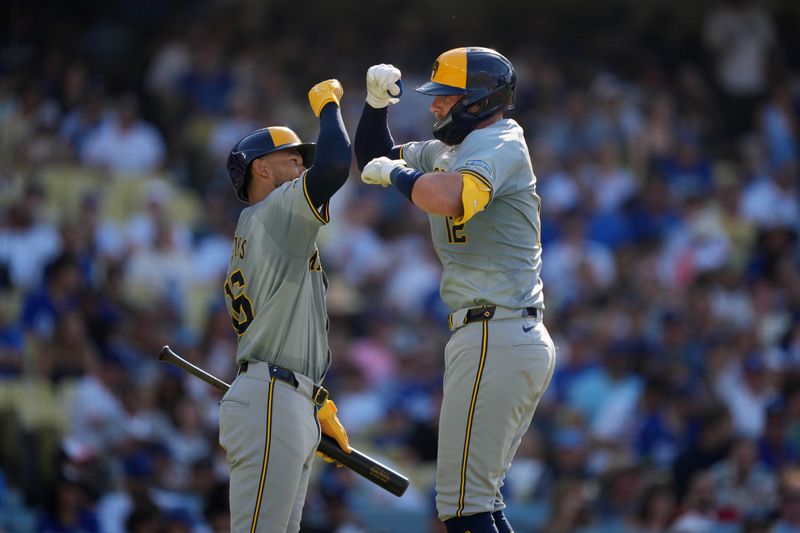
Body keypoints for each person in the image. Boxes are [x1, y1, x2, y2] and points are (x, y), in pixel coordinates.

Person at [354, 47, 557, 533]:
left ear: (479, 101)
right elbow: (374, 159)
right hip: (498, 333)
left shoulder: (501, 141)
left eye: (446, 97)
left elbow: (448, 197)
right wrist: (374, 106)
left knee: (463, 508)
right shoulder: (453, 148)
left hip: (496, 330)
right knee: (474, 505)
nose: (434, 106)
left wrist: (399, 174)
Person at [220, 79, 352, 533]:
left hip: (283, 396)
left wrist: (312, 400)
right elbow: (336, 164)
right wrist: (328, 104)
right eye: (292, 157)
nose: (302, 164)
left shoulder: (264, 226)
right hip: (272, 397)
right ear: (261, 169)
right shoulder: (275, 211)